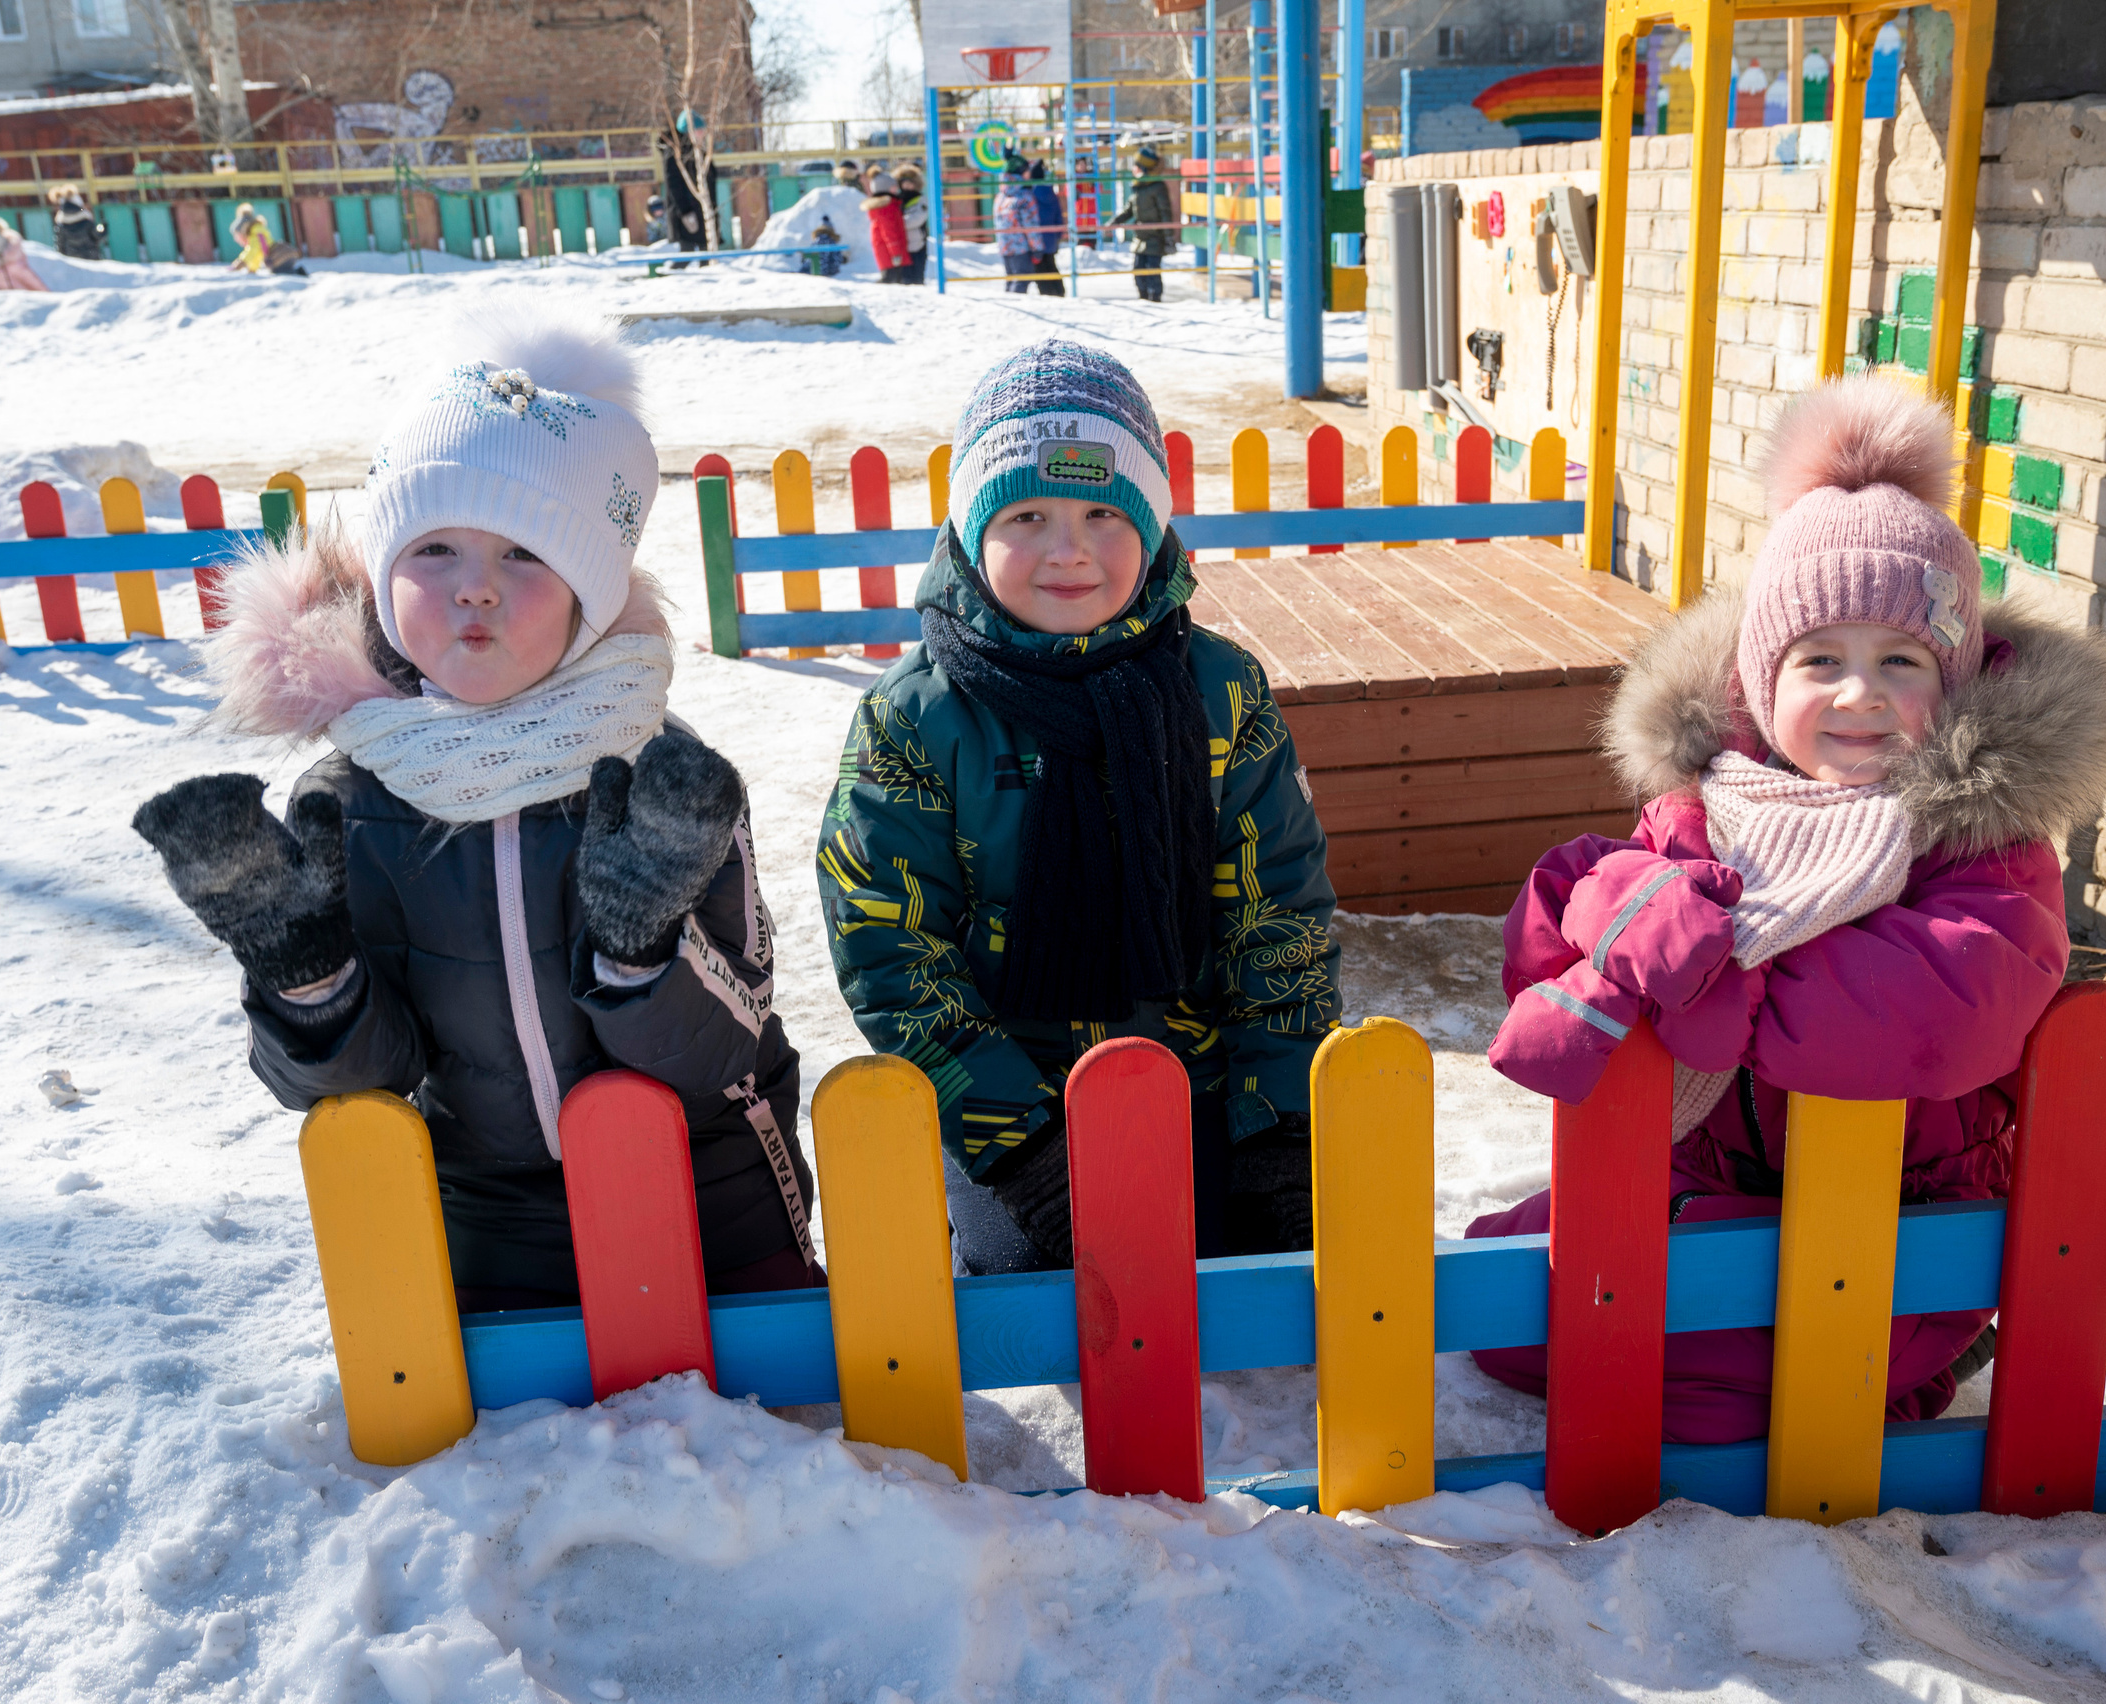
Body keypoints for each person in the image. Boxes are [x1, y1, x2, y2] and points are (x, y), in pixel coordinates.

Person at [1467, 374, 2106, 1440]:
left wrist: (1711, 972)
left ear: (1954, 679)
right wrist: (1637, 909)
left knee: (1681, 1380)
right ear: (1759, 681)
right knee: (1501, 1300)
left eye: (1901, 661)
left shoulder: (1980, 847)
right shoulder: (1714, 806)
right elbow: (1566, 908)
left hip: (1891, 1215)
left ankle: (1906, 1363)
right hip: (1699, 1174)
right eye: (1818, 659)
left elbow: (1941, 1010)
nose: (1858, 694)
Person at [130, 317, 818, 1312]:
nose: (475, 590)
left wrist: (640, 950)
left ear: (591, 597)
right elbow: (357, 1088)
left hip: (708, 1194)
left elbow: (722, 1052)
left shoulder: (660, 777)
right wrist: (304, 974)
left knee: (773, 1437)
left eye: (527, 555)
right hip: (483, 1213)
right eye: (437, 548)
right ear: (383, 571)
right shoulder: (353, 798)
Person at [819, 340, 1338, 1274]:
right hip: (1011, 1120)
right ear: (974, 531)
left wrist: (1276, 1129)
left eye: (1105, 511)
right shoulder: (915, 717)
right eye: (1028, 514)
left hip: (1199, 1091)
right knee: (1046, 1302)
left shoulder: (1219, 693)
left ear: (1154, 526)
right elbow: (891, 951)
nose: (1070, 551)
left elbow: (1278, 920)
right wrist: (1024, 1150)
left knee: (1239, 1298)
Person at [1107, 145, 1176, 304]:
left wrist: (1168, 237)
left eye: (1135, 166)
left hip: (1154, 237)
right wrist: (1115, 222)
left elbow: (1165, 213)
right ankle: (1143, 298)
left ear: (1143, 168)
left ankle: (1155, 299)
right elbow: (1128, 211)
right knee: (1138, 271)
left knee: (1152, 272)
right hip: (1140, 239)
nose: (1133, 169)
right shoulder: (1138, 188)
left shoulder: (1157, 187)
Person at [659, 113, 718, 267]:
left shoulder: (698, 151)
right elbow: (674, 185)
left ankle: (705, 282)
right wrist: (685, 212)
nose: (703, 134)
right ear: (688, 132)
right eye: (699, 130)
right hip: (688, 212)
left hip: (701, 211)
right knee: (688, 251)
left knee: (706, 252)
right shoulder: (675, 154)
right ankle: (669, 280)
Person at [993, 156, 1038, 295]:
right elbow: (1031, 225)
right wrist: (1037, 248)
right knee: (1022, 279)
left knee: (1012, 279)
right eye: (1026, 171)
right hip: (1021, 247)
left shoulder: (1001, 196)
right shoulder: (1024, 197)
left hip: (1005, 246)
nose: (1029, 174)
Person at [861, 166, 912, 283]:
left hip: (888, 256)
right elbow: (889, 232)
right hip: (891, 257)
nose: (897, 189)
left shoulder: (888, 206)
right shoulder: (886, 208)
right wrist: (896, 254)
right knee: (893, 284)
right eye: (894, 187)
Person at [1026, 160, 1066, 296]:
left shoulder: (1030, 195)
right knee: (1051, 265)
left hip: (1036, 240)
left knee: (1040, 269)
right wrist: (1058, 236)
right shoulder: (1050, 193)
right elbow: (1059, 217)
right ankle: (1059, 291)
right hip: (1051, 238)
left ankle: (1047, 294)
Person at [0, 216, 48, 291]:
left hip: (13, 267)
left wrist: (1, 257)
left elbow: (12, 252)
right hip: (6, 268)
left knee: (32, 285)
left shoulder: (10, 237)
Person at [47, 183, 103, 262]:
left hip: (73, 262)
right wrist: (102, 228)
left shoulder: (61, 224)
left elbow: (59, 246)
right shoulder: (86, 220)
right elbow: (97, 236)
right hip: (91, 259)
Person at [895, 163, 928, 285]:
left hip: (917, 245)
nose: (907, 186)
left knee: (916, 278)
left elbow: (917, 219)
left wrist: (898, 223)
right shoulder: (897, 199)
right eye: (905, 183)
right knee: (902, 279)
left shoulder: (920, 199)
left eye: (910, 183)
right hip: (900, 245)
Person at [228, 202, 275, 274]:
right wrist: (252, 269)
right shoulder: (254, 232)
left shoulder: (256, 230)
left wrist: (240, 264)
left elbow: (254, 250)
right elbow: (256, 255)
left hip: (273, 253)